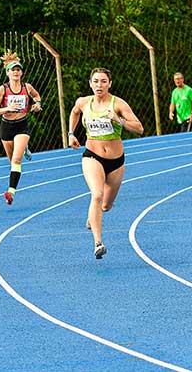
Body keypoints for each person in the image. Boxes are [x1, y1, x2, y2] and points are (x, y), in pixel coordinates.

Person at [68, 68, 144, 259]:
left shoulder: (117, 104)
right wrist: (71, 134)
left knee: (106, 205)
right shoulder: (84, 102)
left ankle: (93, 216)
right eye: (96, 81)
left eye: (103, 81)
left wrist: (118, 120)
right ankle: (98, 242)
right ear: (90, 83)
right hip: (92, 155)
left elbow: (139, 128)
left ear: (109, 83)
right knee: (97, 194)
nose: (99, 85)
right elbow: (75, 113)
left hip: (116, 162)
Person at [0, 51, 42, 205]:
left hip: (22, 125)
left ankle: (11, 191)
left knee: (16, 159)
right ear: (7, 73)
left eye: (18, 70)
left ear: (21, 72)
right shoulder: (3, 89)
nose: (16, 72)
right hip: (6, 126)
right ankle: (24, 148)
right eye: (13, 70)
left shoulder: (27, 87)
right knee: (11, 162)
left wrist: (38, 104)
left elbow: (37, 96)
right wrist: (7, 108)